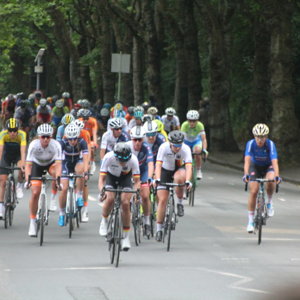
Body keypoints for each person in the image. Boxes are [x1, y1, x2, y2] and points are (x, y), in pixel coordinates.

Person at [98, 142, 140, 251]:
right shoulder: (108, 157)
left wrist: (136, 193)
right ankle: (104, 220)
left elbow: (136, 182)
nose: (123, 163)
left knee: (125, 203)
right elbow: (101, 179)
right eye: (121, 160)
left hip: (125, 179)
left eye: (125, 160)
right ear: (116, 156)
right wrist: (102, 191)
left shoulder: (133, 159)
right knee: (110, 198)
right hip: (111, 178)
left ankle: (125, 237)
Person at [24, 124, 62, 236]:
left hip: (51, 164)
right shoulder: (33, 145)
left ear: (51, 137)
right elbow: (28, 166)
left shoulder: (56, 145)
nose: (46, 139)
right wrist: (28, 180)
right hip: (37, 165)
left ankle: (53, 198)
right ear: (39, 137)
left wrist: (58, 180)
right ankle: (32, 222)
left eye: (48, 137)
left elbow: (59, 165)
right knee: (35, 192)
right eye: (43, 137)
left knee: (56, 174)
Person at [243, 123, 281, 233]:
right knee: (254, 191)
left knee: (271, 180)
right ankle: (250, 221)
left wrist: (277, 176)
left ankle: (269, 202)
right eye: (258, 137)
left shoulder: (270, 144)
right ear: (254, 136)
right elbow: (247, 161)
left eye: (263, 137)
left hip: (268, 166)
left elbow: (275, 162)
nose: (260, 140)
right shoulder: (250, 144)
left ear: (266, 137)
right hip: (255, 166)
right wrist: (246, 174)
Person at [154, 130, 192, 242]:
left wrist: (188, 181)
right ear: (170, 143)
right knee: (162, 200)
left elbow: (189, 166)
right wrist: (157, 179)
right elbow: (158, 164)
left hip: (178, 169)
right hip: (165, 170)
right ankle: (159, 229)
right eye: (175, 146)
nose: (177, 148)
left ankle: (179, 203)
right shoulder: (163, 147)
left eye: (179, 145)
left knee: (180, 178)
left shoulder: (185, 149)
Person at [58, 123, 89, 225]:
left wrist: (86, 172)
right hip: (66, 164)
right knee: (64, 189)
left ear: (78, 137)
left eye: (74, 139)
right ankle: (62, 213)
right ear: (67, 137)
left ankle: (79, 195)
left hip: (77, 161)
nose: (72, 141)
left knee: (80, 171)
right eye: (70, 139)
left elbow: (85, 159)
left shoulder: (82, 142)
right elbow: (57, 160)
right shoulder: (62, 143)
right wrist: (58, 175)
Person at [127, 126, 154, 238]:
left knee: (145, 195)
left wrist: (150, 178)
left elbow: (150, 164)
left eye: (140, 140)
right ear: (131, 139)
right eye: (135, 139)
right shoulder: (126, 147)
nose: (137, 142)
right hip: (129, 171)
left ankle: (147, 222)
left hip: (143, 171)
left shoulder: (147, 148)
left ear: (144, 139)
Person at [0, 119, 26, 218]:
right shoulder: (2, 134)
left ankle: (19, 185)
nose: (12, 133)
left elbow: (23, 151)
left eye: (14, 130)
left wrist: (23, 163)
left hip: (17, 155)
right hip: (6, 155)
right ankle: (1, 206)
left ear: (17, 130)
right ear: (7, 130)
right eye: (10, 130)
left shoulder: (22, 134)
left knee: (22, 166)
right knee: (2, 181)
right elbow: (1, 150)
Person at [181, 110, 208, 179]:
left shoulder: (200, 125)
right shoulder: (184, 125)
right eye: (190, 121)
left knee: (197, 151)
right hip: (186, 141)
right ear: (187, 120)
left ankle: (199, 170)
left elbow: (203, 139)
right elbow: (181, 139)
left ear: (197, 120)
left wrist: (204, 150)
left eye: (194, 121)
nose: (192, 123)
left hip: (196, 141)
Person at [78, 108, 98, 174]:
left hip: (91, 136)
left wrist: (95, 143)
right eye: (84, 119)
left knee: (91, 148)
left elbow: (94, 133)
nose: (85, 120)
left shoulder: (93, 121)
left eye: (87, 118)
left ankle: (92, 162)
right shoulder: (78, 121)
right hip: (82, 136)